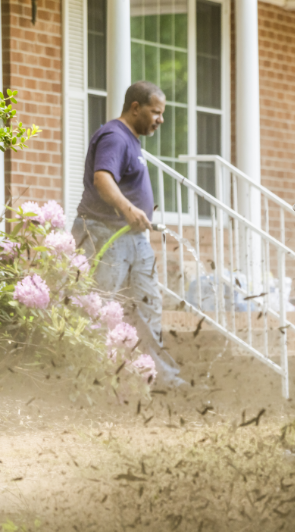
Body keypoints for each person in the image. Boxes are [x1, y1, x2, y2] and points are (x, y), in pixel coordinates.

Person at [71, 81, 187, 389]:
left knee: (149, 306)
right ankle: (90, 378)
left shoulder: (132, 141)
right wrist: (129, 209)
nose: (160, 119)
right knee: (99, 306)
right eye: (156, 112)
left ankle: (160, 379)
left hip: (133, 238)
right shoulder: (115, 136)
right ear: (135, 107)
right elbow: (102, 178)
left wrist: (141, 207)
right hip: (105, 233)